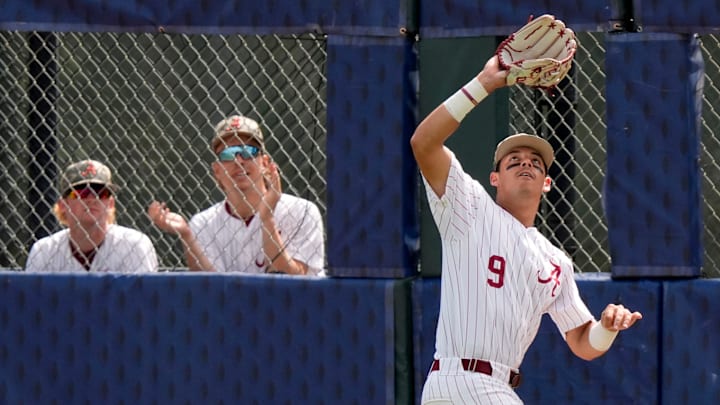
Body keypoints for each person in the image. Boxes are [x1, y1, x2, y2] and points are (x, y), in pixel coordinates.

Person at [411, 55, 643, 403]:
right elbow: (424, 143)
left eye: (535, 163)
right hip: (463, 380)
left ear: (547, 183)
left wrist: (607, 329)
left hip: (493, 387)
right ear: (495, 178)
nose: (526, 164)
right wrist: (483, 84)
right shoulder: (469, 206)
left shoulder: (555, 261)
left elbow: (581, 339)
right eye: (513, 161)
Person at [148, 114, 325, 275]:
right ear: (216, 170)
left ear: (264, 162)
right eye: (228, 154)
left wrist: (267, 218)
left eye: (249, 152)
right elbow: (209, 290)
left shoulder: (302, 211)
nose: (239, 160)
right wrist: (187, 235)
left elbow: (294, 282)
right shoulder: (202, 224)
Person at [25, 159, 159, 273]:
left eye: (101, 193)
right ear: (63, 205)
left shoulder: (134, 245)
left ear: (110, 203)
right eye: (82, 193)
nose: (91, 199)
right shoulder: (44, 251)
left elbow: (144, 302)